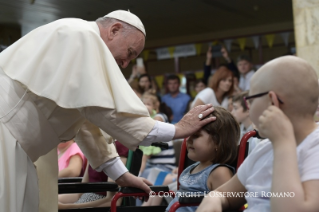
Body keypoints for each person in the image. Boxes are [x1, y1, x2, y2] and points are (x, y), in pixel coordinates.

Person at [0, 10, 216, 212]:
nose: (125, 64)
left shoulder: (81, 39)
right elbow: (113, 115)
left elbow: (88, 126)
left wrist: (121, 175)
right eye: (129, 53)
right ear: (114, 30)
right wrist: (177, 130)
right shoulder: (83, 37)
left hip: (18, 146)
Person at [197, 56, 319, 212]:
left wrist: (283, 143)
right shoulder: (264, 149)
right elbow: (224, 195)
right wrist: (213, 200)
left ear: (272, 102)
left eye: (250, 101)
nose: (249, 108)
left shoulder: (314, 147)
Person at [165, 106, 240, 212]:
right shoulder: (191, 168)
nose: (189, 139)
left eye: (196, 136)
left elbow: (229, 206)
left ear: (218, 142)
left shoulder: (219, 172)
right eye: (189, 135)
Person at [58, 140, 129, 209]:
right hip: (85, 200)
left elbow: (113, 200)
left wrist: (67, 207)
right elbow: (81, 192)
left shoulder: (117, 146)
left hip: (98, 203)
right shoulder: (93, 145)